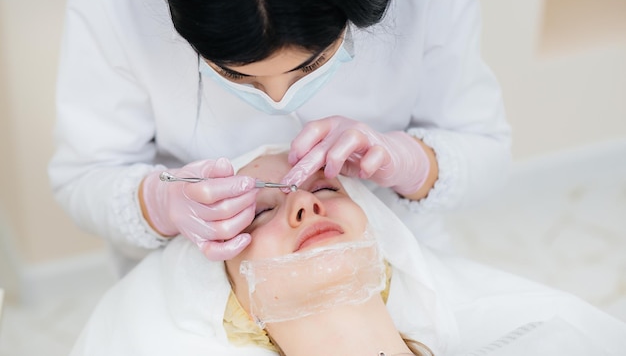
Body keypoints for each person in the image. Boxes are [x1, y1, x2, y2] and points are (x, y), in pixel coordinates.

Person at [49, 0, 512, 272]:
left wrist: (410, 162)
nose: (277, 99)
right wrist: (157, 204)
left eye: (311, 65)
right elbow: (83, 178)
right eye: (235, 74)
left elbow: (487, 153)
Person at [69, 146, 626, 356]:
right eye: (259, 211)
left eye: (327, 189)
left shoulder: (548, 345)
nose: (305, 207)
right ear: (237, 306)